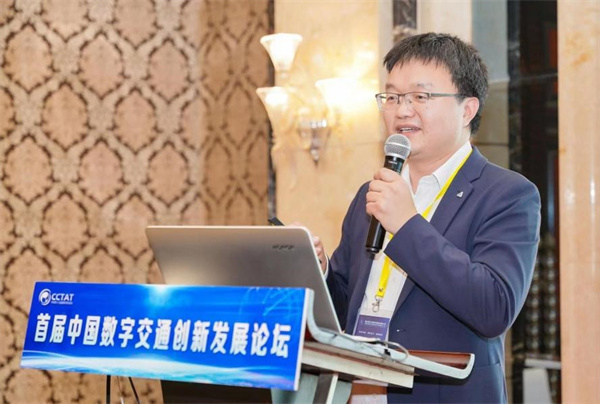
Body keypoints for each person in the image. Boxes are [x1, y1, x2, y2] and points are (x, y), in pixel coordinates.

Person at [311, 33, 541, 403]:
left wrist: (406, 226)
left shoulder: (507, 194)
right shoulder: (373, 192)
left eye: (420, 96)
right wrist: (319, 270)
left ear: (467, 109)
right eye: (392, 97)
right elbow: (344, 306)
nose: (402, 111)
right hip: (357, 392)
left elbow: (494, 307)